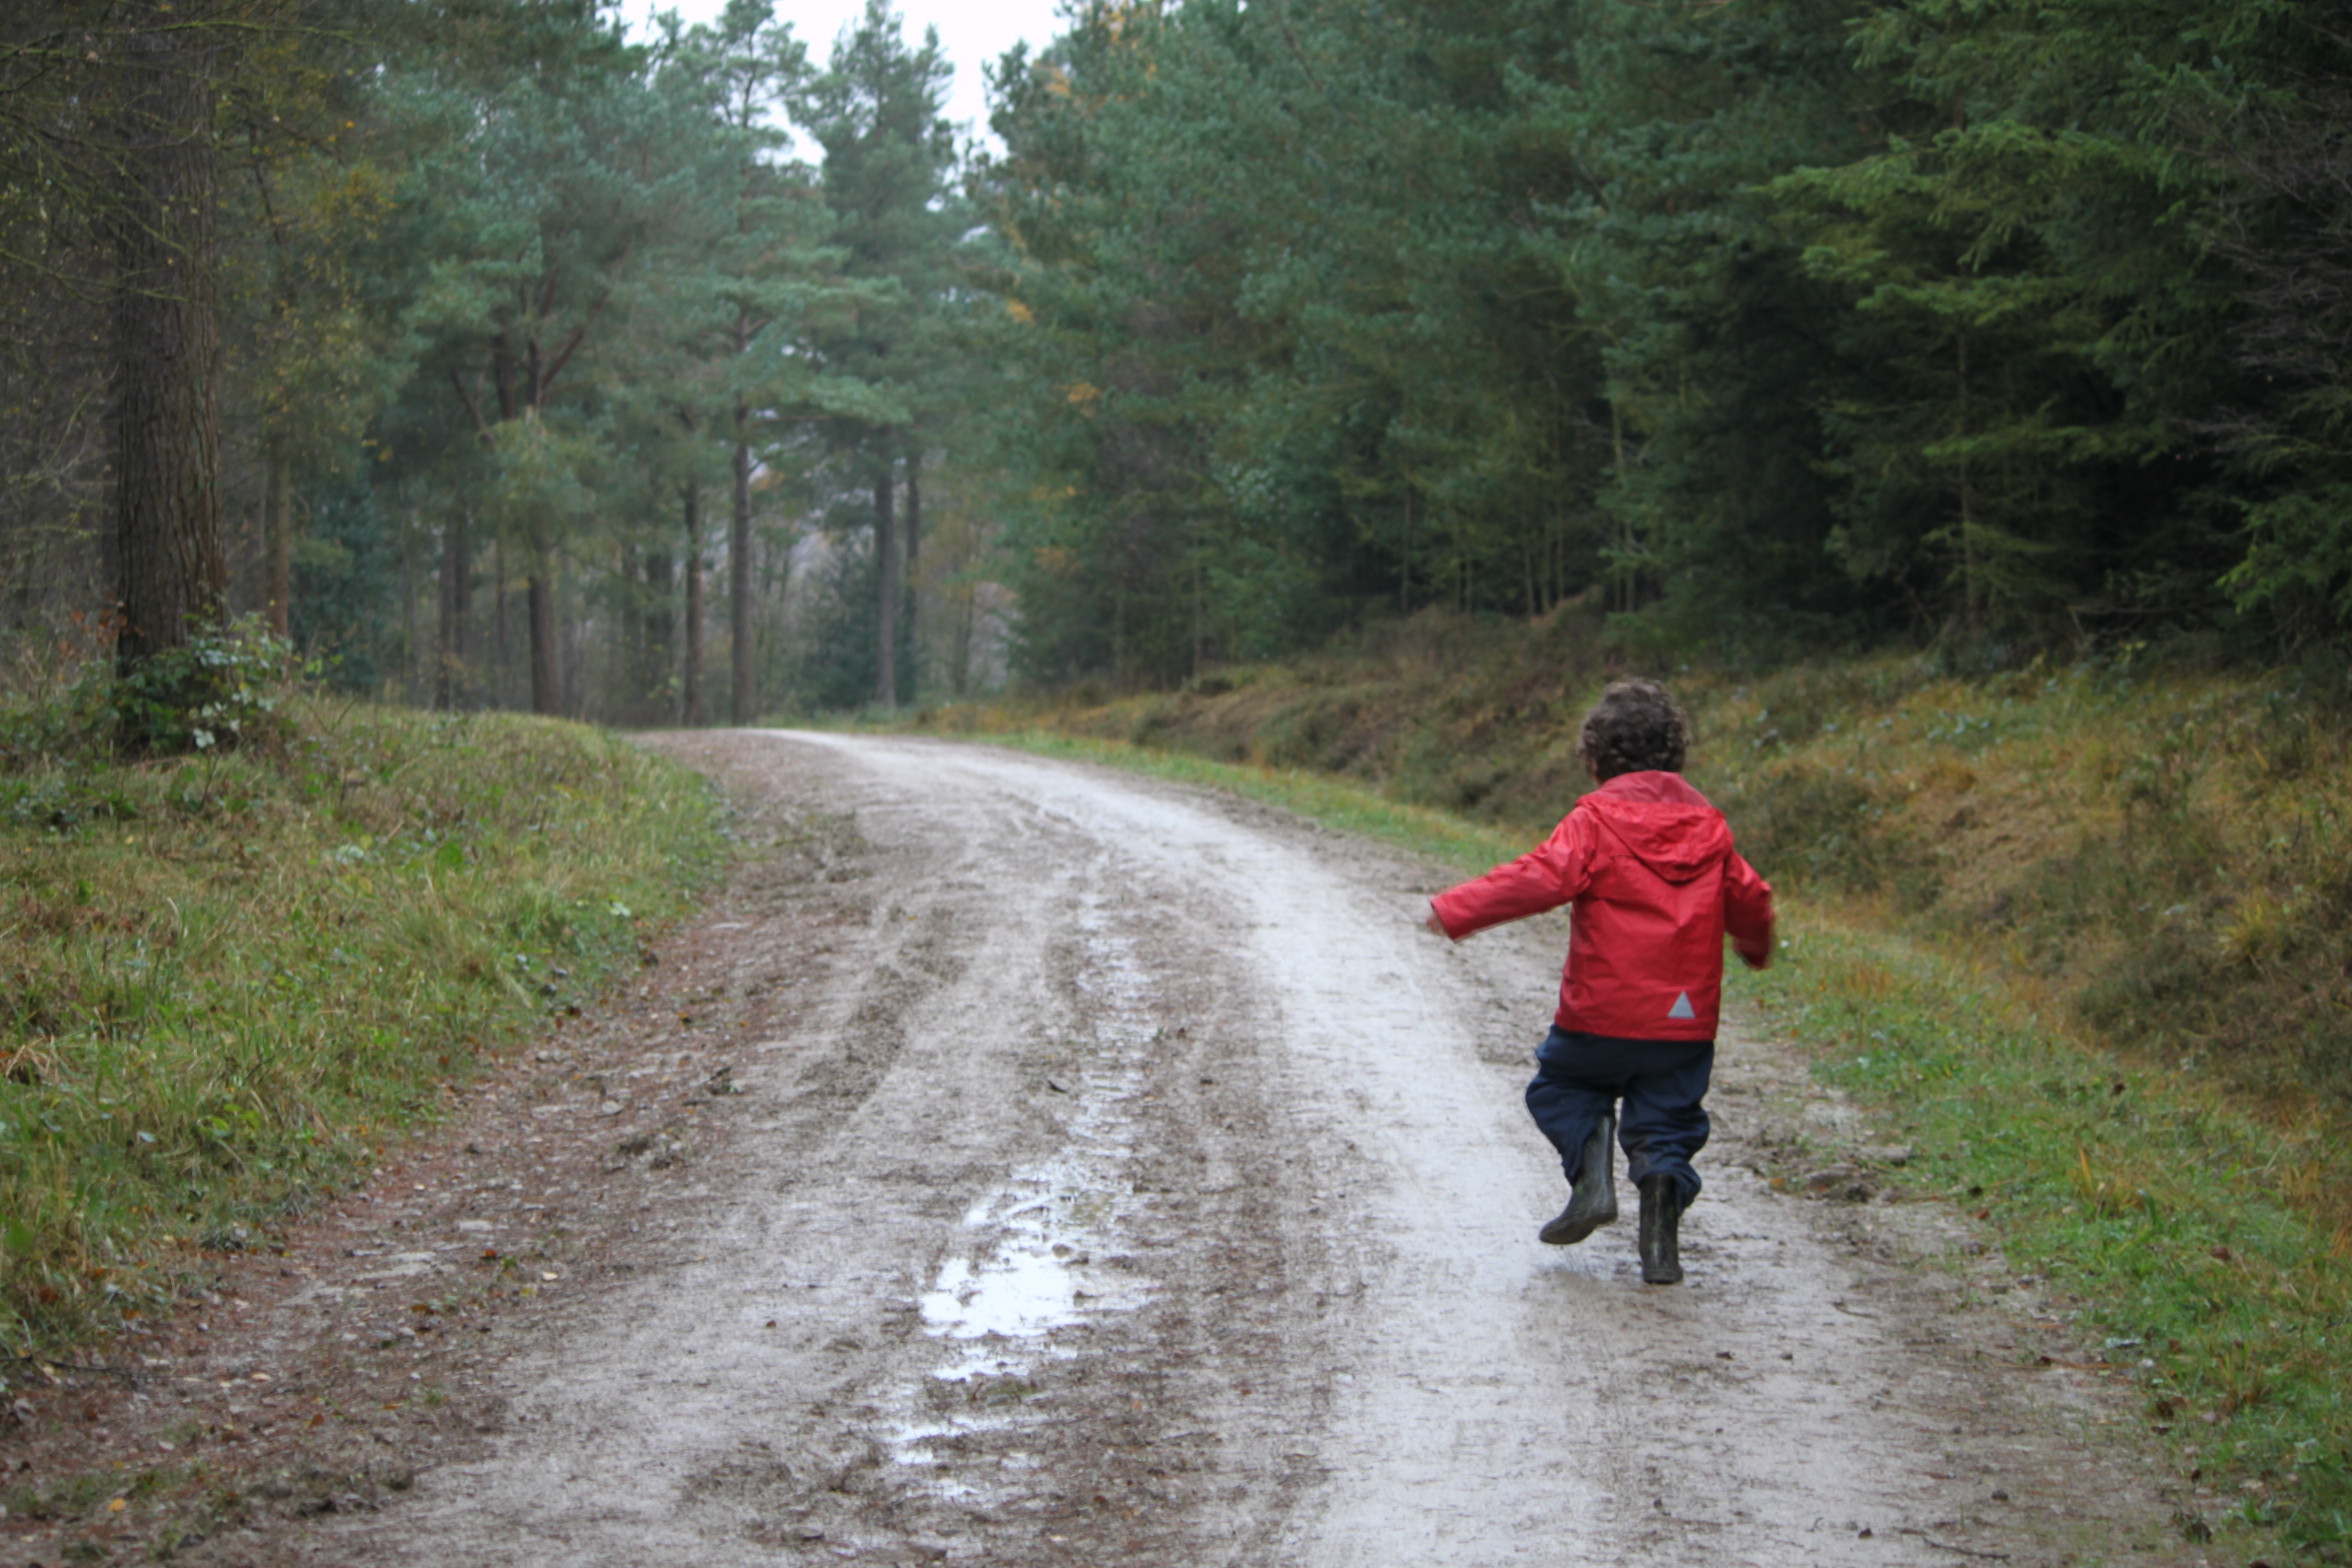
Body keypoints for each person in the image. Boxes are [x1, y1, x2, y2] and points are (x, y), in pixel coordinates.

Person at [1423, 679, 1774, 1285]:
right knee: (1667, 1124)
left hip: (1599, 1015)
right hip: (1683, 1023)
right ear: (1676, 753)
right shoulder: (1710, 829)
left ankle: (1592, 1176)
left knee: (1560, 1088)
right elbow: (1749, 896)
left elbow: (1540, 876)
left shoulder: (1595, 820)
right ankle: (1660, 1227)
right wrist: (1753, 946)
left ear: (1595, 758)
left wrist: (1456, 908)